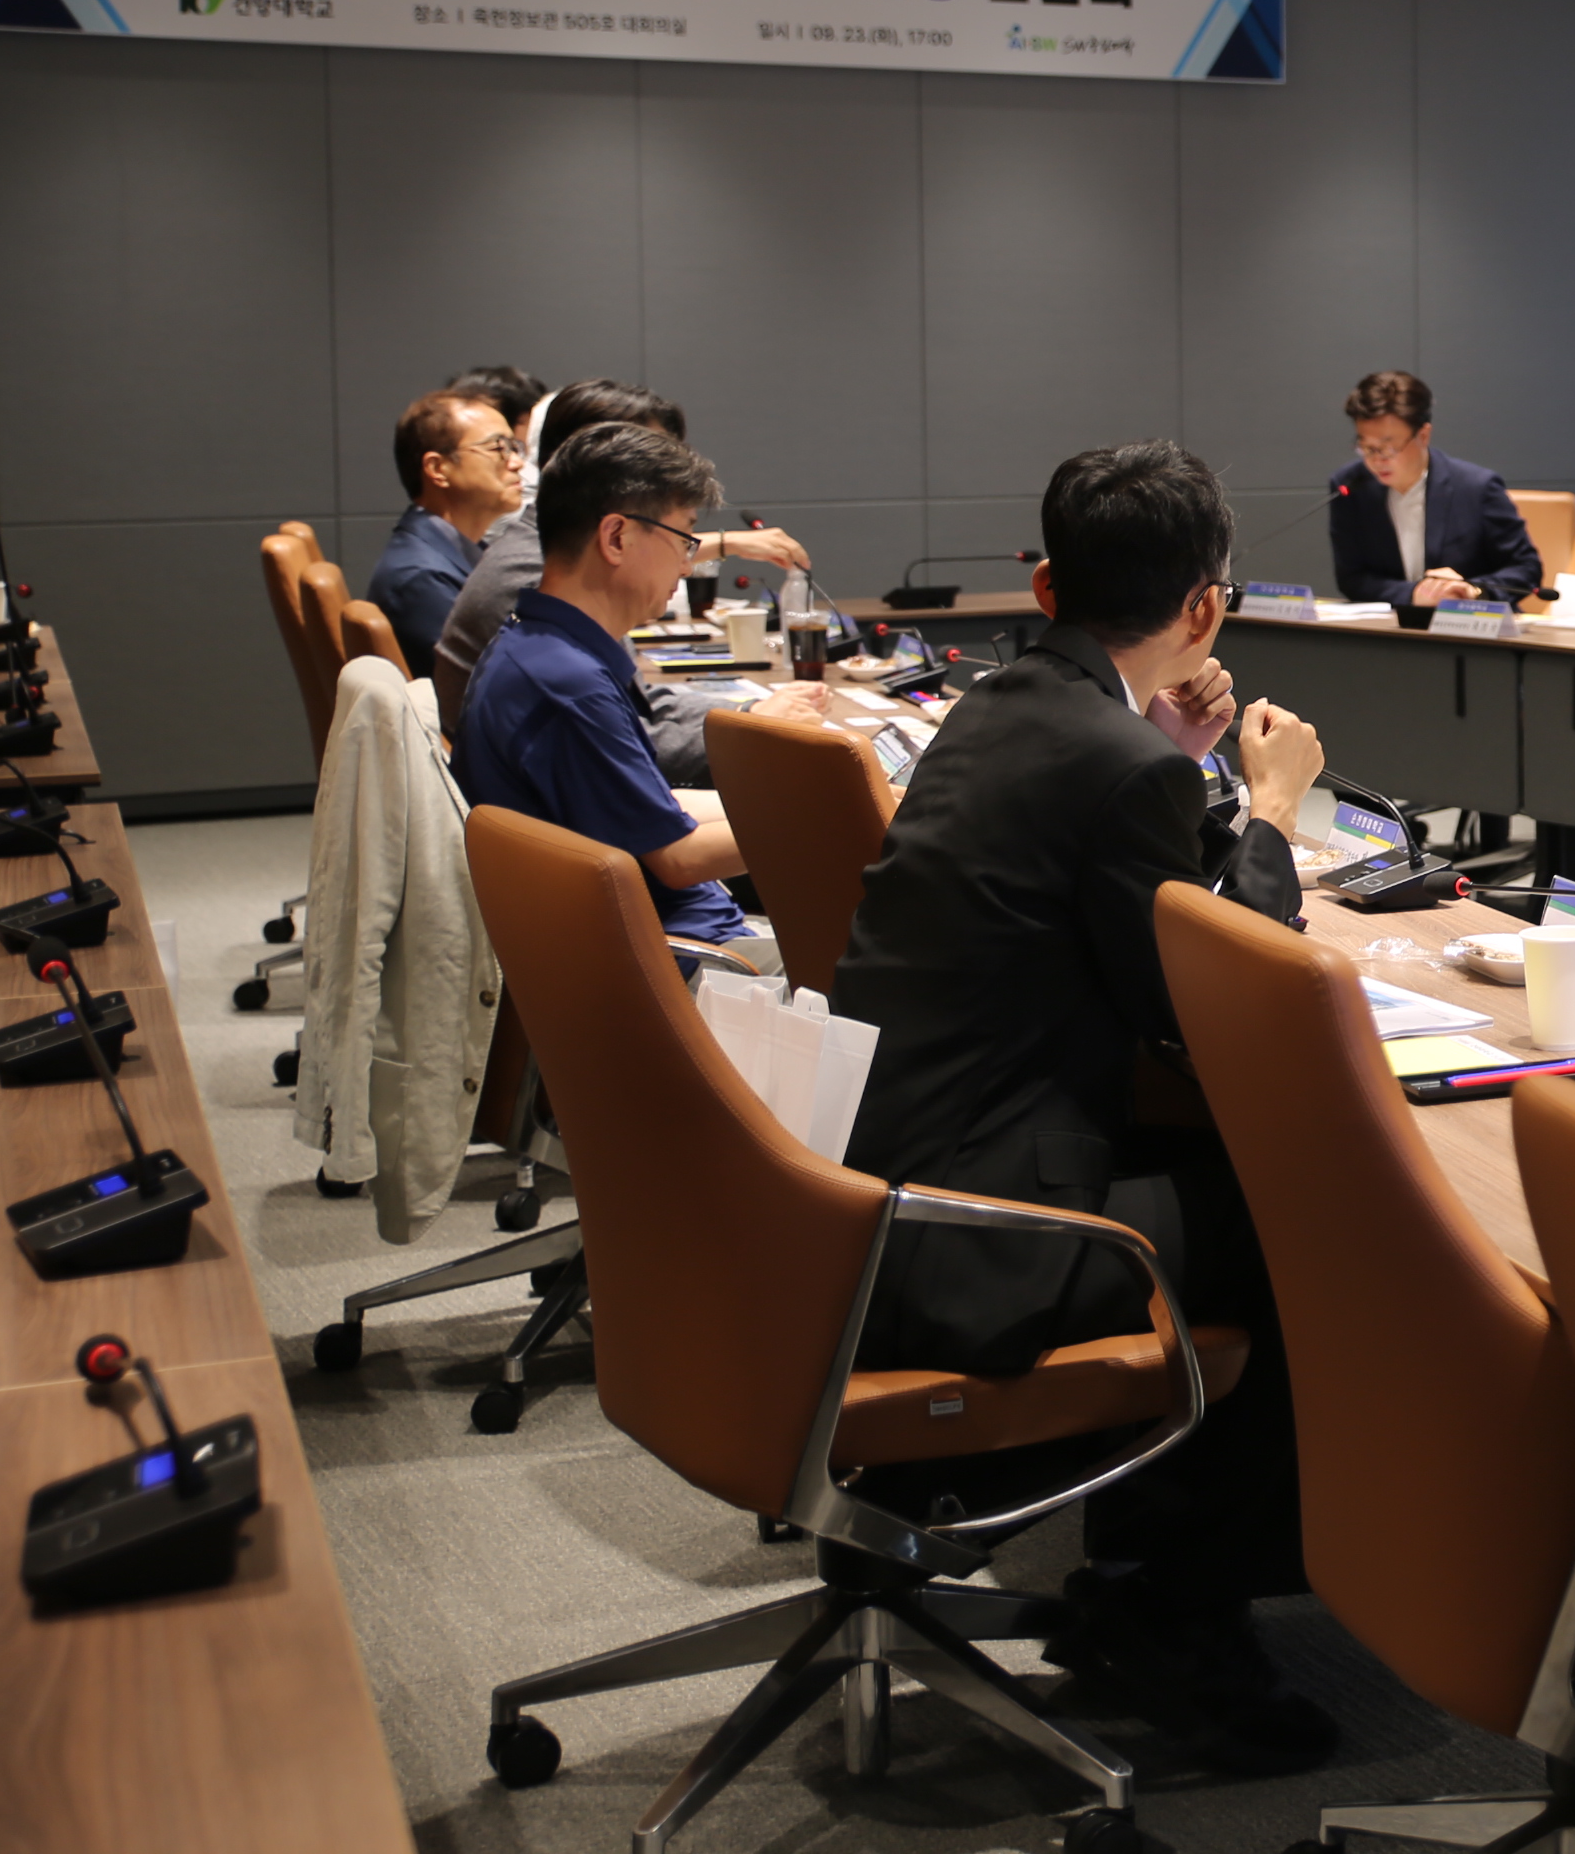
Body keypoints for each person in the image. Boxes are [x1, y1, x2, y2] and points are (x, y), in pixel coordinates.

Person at [831, 442, 1335, 1765]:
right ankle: (1178, 1620)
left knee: (1222, 1176)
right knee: (1300, 1225)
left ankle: (1142, 1574)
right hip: (971, 1240)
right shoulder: (1118, 763)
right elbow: (1207, 1006)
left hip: (870, 1187)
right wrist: (1272, 810)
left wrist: (1175, 761)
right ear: (1206, 606)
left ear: (1048, 586)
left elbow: (1104, 868)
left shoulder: (1000, 704)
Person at [452, 421, 765, 951]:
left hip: (668, 933)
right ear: (616, 537)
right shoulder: (565, 683)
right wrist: (830, 818)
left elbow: (654, 805)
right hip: (674, 961)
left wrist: (825, 799)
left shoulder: (542, 646)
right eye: (683, 539)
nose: (687, 564)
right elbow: (680, 859)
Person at [434, 378, 815, 773]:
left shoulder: (552, 564)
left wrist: (749, 713)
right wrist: (757, 730)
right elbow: (631, 747)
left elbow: (635, 705)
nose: (686, 566)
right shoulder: (538, 584)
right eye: (648, 457)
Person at [1326, 369, 1543, 610]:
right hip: (1391, 625)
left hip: (1470, 624)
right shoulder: (1350, 486)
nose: (1376, 460)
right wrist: (1413, 595)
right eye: (1367, 447)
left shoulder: (1476, 487)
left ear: (1423, 435)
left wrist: (1473, 590)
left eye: (1388, 448)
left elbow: (1526, 568)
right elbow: (1352, 577)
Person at [363, 389, 523, 667]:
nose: (517, 462)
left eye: (514, 446)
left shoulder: (451, 552)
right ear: (438, 468)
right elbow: (490, 680)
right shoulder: (422, 580)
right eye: (498, 448)